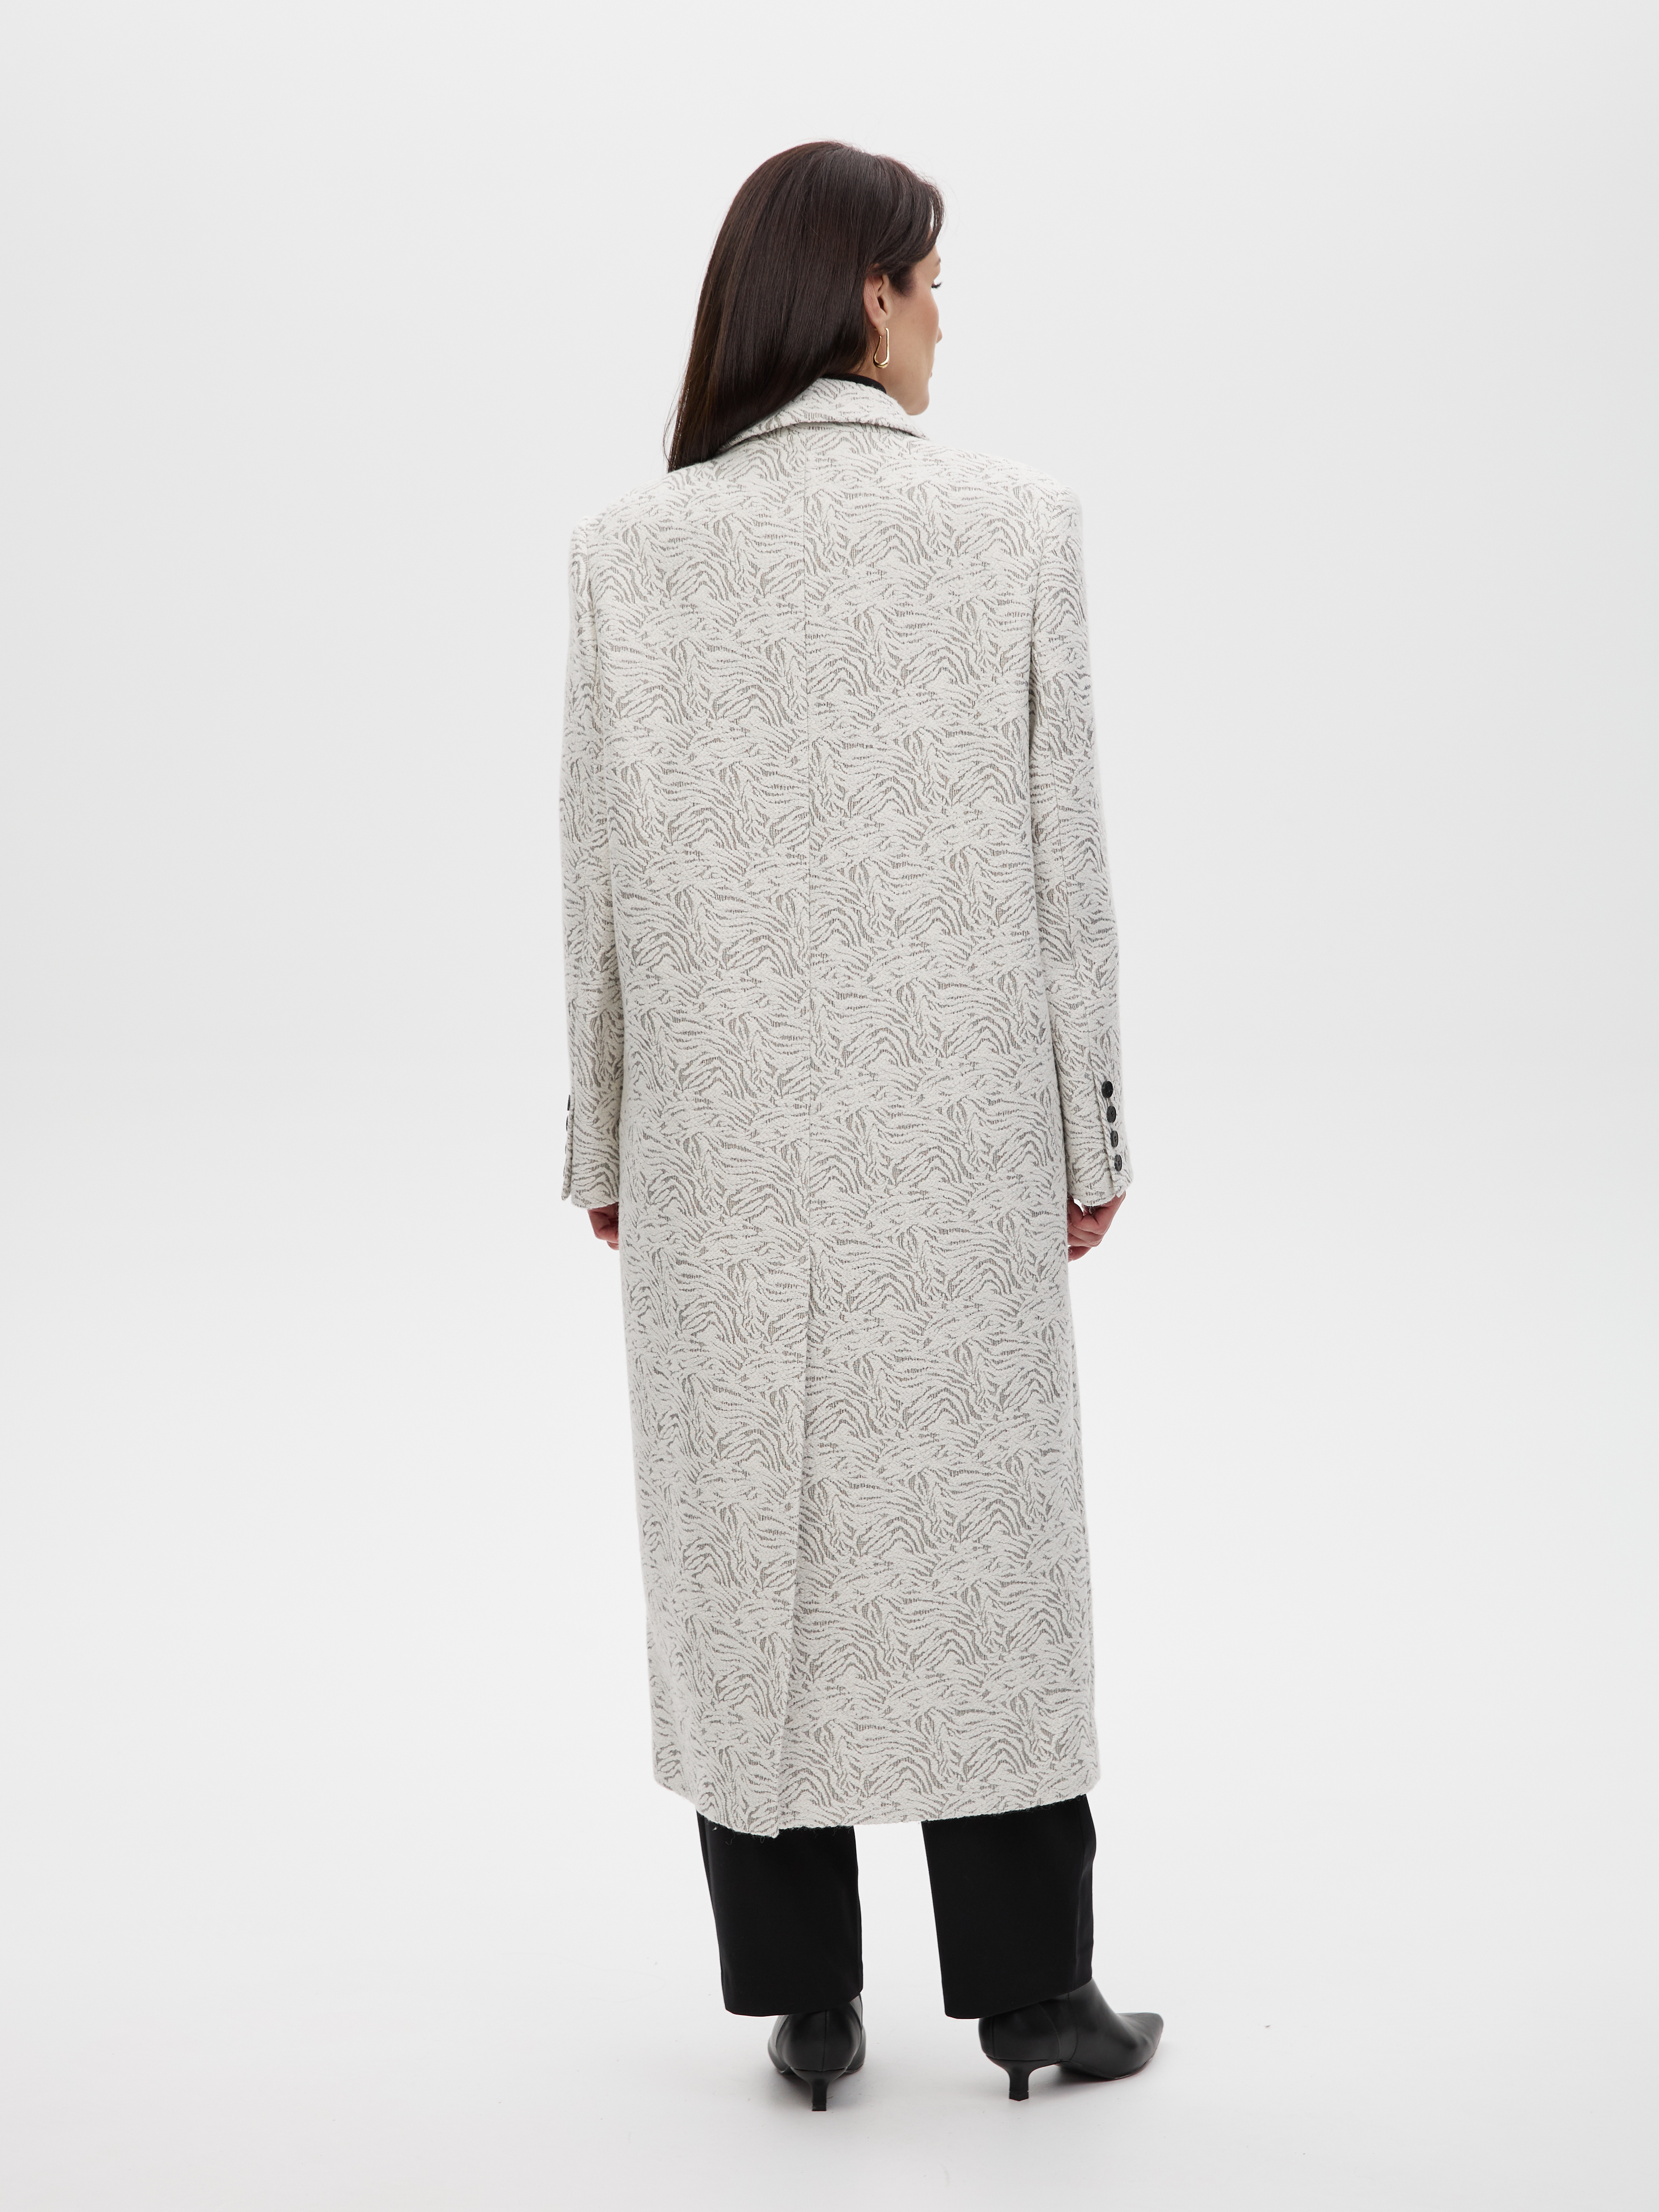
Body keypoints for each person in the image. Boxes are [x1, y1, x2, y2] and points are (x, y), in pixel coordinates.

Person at [559, 141, 1160, 2109]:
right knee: (984, 1561)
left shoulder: (630, 551)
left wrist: (606, 1145)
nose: (943, 326)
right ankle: (1034, 1999)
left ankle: (805, 2007)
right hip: (954, 1146)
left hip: (726, 1156)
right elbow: (1064, 869)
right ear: (873, 293)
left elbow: (598, 878)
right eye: (936, 285)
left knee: (753, 1552)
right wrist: (1089, 1136)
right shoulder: (1016, 525)